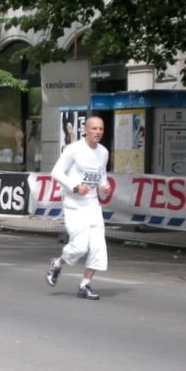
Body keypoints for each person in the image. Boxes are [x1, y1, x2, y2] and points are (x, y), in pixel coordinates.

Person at [45, 116, 111, 300]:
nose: (98, 132)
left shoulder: (104, 152)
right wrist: (75, 187)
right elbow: (56, 172)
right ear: (85, 130)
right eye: (94, 128)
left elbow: (101, 177)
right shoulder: (74, 150)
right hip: (74, 205)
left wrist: (105, 188)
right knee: (80, 247)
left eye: (101, 128)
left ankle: (85, 285)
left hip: (92, 204)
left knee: (98, 247)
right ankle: (57, 263)